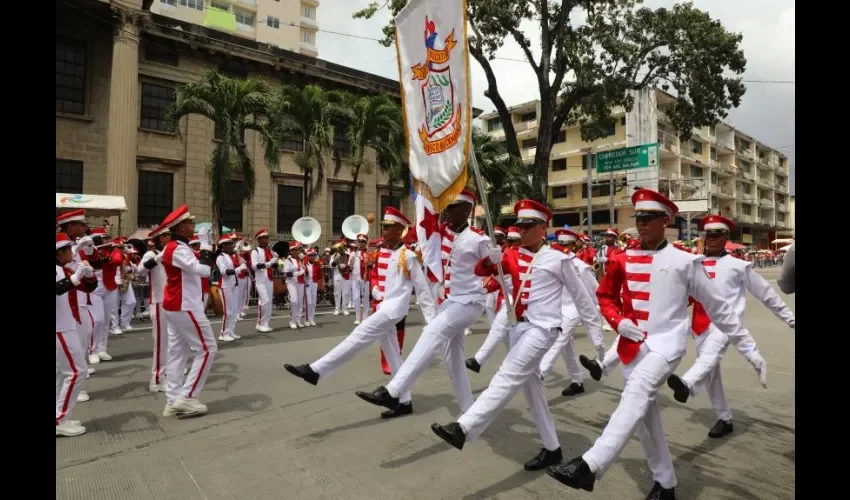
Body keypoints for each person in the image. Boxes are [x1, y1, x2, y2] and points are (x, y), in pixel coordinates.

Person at [546, 189, 750, 500]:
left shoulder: (687, 261)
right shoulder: (621, 258)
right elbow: (605, 297)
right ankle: (665, 484)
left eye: (649, 218)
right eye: (638, 217)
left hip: (666, 344)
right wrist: (618, 321)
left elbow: (716, 303)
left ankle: (590, 464)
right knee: (644, 419)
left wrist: (741, 339)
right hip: (632, 346)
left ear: (665, 220)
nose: (641, 223)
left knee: (637, 391)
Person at [430, 200, 603, 471]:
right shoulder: (510, 254)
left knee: (507, 374)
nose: (521, 230)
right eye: (520, 225)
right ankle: (552, 448)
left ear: (543, 227)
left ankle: (464, 427)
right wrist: (491, 259)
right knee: (532, 390)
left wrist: (598, 342)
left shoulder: (559, 258)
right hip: (518, 327)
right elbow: (480, 271)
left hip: (543, 330)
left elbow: (583, 300)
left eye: (528, 225)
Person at [284, 207, 436, 419]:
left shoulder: (408, 256)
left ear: (400, 229)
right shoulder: (382, 251)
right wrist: (376, 288)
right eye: (384, 226)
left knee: (360, 334)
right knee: (393, 355)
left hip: (394, 309)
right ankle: (405, 401)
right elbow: (378, 276)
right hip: (383, 306)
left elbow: (422, 290)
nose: (384, 230)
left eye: (389, 227)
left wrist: (432, 323)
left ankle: (317, 370)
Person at [355, 189, 495, 416]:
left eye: (452, 207)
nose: (446, 211)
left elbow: (495, 272)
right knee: (454, 361)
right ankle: (470, 415)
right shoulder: (443, 234)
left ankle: (394, 390)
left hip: (470, 302)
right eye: (446, 206)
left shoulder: (479, 239)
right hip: (451, 301)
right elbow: (423, 235)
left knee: (432, 332)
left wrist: (492, 263)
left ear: (468, 210)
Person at [664, 215, 793, 438]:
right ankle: (724, 418)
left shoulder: (739, 266)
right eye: (708, 235)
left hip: (726, 324)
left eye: (716, 235)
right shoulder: (695, 263)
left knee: (709, 356)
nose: (711, 239)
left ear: (726, 237)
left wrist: (790, 318)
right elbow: (682, 297)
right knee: (712, 372)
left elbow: (767, 295)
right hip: (701, 325)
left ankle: (688, 384)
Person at [159, 205, 218, 418]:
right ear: (182, 226)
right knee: (208, 349)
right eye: (191, 223)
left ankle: (173, 400)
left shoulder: (177, 247)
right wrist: (204, 244)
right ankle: (188, 397)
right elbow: (203, 270)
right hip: (185, 305)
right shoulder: (177, 248)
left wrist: (208, 247)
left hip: (177, 305)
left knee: (177, 353)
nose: (194, 226)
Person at [539, 229, 606, 397]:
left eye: (565, 245)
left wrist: (599, 315)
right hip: (559, 307)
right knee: (565, 347)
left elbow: (596, 292)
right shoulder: (556, 263)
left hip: (574, 309)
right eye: (559, 244)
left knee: (557, 341)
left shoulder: (581, 267)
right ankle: (577, 381)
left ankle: (540, 373)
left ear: (573, 246)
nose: (561, 248)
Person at [56, 233, 97, 436]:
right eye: (66, 251)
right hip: (59, 328)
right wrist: (76, 276)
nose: (70, 254)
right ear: (59, 253)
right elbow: (57, 289)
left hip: (66, 325)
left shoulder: (64, 269)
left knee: (62, 373)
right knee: (76, 371)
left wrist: (87, 274)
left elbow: (90, 286)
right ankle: (60, 419)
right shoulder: (59, 271)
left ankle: (59, 415)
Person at [137, 226, 172, 391]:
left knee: (173, 340)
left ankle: (169, 372)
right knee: (161, 341)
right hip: (159, 302)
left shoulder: (172, 252)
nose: (169, 237)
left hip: (172, 301)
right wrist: (158, 257)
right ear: (159, 238)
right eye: (166, 236)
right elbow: (141, 270)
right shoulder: (151, 254)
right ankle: (157, 379)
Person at [215, 235, 247, 342]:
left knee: (233, 310)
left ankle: (231, 331)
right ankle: (223, 333)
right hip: (226, 286)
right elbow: (225, 272)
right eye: (229, 243)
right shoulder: (220, 257)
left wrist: (242, 266)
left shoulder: (229, 256)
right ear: (223, 245)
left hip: (234, 284)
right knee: (228, 311)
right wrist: (239, 269)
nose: (231, 245)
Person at [251, 229, 277, 333]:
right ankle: (260, 323)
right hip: (260, 280)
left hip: (269, 279)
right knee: (264, 301)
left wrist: (275, 261)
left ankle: (266, 323)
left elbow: (273, 266)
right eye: (265, 238)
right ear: (259, 239)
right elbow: (254, 266)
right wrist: (269, 263)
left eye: (267, 238)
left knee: (269, 302)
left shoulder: (269, 251)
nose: (267, 240)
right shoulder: (255, 251)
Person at [283, 241, 306, 329]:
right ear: (291, 251)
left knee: (300, 302)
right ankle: (292, 320)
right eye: (295, 250)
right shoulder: (287, 260)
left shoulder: (301, 259)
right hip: (291, 282)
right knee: (294, 300)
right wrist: (297, 273)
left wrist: (303, 269)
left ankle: (298, 320)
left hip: (300, 282)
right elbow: (285, 274)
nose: (297, 251)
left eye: (298, 249)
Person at [350, 234, 371, 325]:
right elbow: (349, 266)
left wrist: (364, 259)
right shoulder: (353, 253)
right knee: (356, 297)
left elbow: (371, 265)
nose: (360, 243)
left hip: (365, 278)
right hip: (355, 278)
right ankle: (358, 317)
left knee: (365, 298)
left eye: (363, 241)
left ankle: (365, 317)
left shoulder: (369, 253)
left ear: (366, 243)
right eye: (359, 241)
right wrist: (351, 260)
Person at [303, 248, 323, 326]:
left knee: (314, 302)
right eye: (311, 255)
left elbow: (319, 276)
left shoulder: (317, 264)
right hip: (307, 284)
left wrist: (320, 284)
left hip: (314, 284)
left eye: (314, 255)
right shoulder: (304, 264)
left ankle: (312, 318)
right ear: (307, 256)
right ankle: (306, 319)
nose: (313, 257)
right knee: (308, 302)